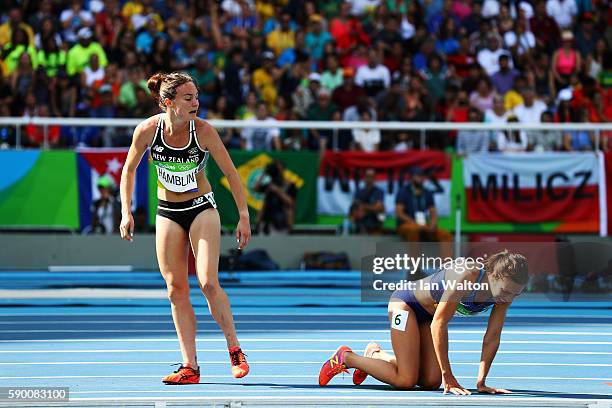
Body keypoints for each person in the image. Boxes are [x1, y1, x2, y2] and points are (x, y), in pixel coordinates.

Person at [119, 72, 251, 385]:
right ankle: (190, 366)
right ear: (168, 103)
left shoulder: (203, 131)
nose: (196, 103)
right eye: (188, 98)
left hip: (201, 208)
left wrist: (244, 215)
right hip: (167, 211)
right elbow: (128, 170)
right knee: (175, 289)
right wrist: (126, 211)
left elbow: (231, 174)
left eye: (196, 96)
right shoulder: (148, 131)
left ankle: (234, 348)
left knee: (207, 282)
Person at [319, 250, 528, 394]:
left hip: (428, 317)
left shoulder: (503, 296)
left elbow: (492, 337)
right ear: (494, 276)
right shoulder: (467, 275)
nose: (508, 298)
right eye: (506, 291)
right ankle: (346, 357)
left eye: (515, 295)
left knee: (430, 382)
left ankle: (375, 355)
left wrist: (481, 382)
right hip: (405, 305)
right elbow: (439, 324)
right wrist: (448, 375)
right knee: (406, 381)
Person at [254, 159, 297, 235]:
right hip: (266, 221)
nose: (277, 171)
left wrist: (277, 191)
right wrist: (264, 174)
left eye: (279, 169)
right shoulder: (269, 185)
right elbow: (256, 188)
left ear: (283, 170)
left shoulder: (289, 185)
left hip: (281, 221)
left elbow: (291, 202)